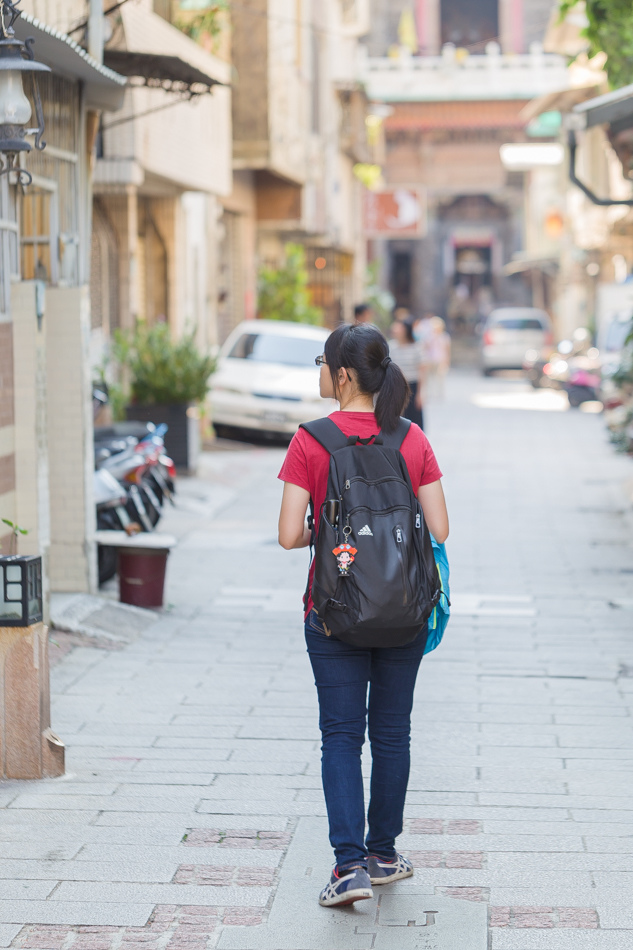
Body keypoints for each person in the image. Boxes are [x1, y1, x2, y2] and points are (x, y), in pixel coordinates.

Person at [277, 323, 448, 908]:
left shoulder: (311, 440)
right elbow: (442, 528)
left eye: (322, 363)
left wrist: (330, 534)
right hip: (404, 610)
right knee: (392, 733)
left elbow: (286, 536)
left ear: (343, 374)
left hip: (333, 611)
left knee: (341, 736)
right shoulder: (411, 438)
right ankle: (383, 853)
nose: (321, 372)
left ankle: (347, 868)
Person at [389, 315, 427, 430]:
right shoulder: (390, 347)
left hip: (413, 386)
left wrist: (421, 393)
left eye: (399, 327)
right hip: (396, 386)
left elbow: (422, 372)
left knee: (414, 420)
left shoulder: (416, 347)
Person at [426, 316, 451, 399]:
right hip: (430, 359)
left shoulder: (445, 336)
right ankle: (430, 393)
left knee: (440, 378)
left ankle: (440, 394)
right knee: (430, 377)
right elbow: (426, 347)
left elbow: (447, 349)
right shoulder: (430, 336)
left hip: (441, 359)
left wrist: (447, 360)